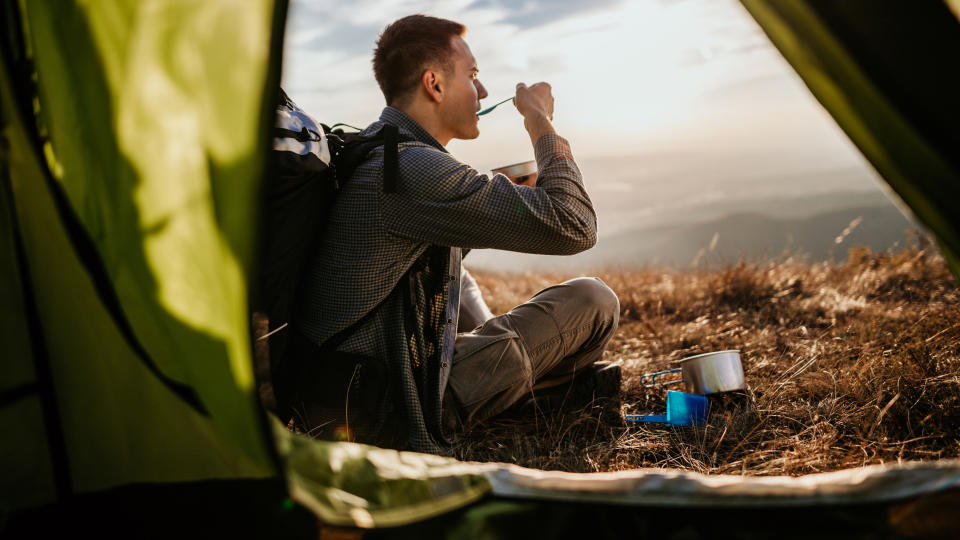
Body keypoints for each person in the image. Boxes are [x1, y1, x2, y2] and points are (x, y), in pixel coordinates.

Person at [282, 14, 620, 454]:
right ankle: (518, 395)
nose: (481, 91)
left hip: (347, 392)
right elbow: (575, 224)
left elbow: (418, 216)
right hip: (396, 411)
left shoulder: (374, 148)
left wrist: (498, 192)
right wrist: (540, 122)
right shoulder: (410, 170)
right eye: (473, 75)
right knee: (594, 302)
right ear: (434, 85)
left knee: (457, 274)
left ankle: (511, 382)